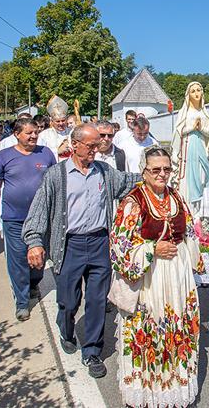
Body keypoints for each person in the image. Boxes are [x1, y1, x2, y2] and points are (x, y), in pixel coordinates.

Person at [23, 124, 143, 378]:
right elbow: (39, 209)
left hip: (100, 242)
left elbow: (127, 182)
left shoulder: (104, 171)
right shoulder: (57, 175)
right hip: (70, 245)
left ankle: (92, 351)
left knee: (97, 300)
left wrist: (155, 170)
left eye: (98, 146)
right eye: (91, 146)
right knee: (68, 301)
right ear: (74, 145)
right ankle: (65, 328)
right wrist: (34, 241)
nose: (95, 151)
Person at [111, 146, 203, 407]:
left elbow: (189, 230)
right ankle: (146, 393)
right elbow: (119, 247)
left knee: (178, 328)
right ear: (144, 171)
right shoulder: (133, 202)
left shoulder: (177, 196)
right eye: (156, 169)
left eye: (166, 169)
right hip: (150, 278)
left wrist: (195, 250)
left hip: (177, 274)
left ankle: (174, 389)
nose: (162, 174)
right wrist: (152, 248)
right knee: (151, 330)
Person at [0, 118, 56, 321]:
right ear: (17, 134)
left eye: (35, 132)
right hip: (13, 218)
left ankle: (34, 283)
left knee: (40, 259)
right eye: (29, 133)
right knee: (17, 261)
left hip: (41, 219)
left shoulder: (46, 153)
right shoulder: (4, 156)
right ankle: (22, 302)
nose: (34, 136)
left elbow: (55, 184)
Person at [169, 81, 209, 220]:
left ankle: (201, 216)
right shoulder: (184, 112)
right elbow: (177, 133)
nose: (197, 93)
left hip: (202, 149)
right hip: (188, 150)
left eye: (199, 90)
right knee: (188, 180)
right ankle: (189, 213)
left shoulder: (204, 112)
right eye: (193, 91)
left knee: (203, 178)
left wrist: (201, 128)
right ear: (188, 95)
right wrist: (192, 127)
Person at [37, 96, 73, 162]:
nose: (61, 123)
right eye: (58, 121)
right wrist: (57, 152)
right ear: (52, 121)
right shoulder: (44, 135)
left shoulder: (73, 132)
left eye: (63, 120)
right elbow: (39, 154)